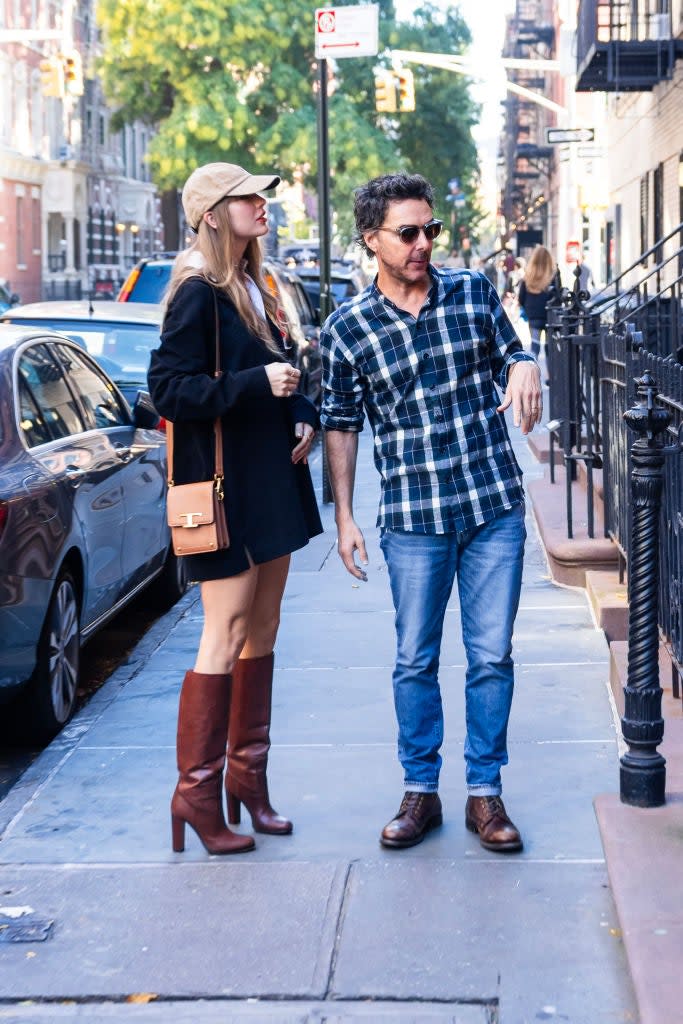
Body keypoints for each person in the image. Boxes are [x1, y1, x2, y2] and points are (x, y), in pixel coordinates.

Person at [320, 173, 542, 853]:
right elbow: (339, 421)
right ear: (371, 239)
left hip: (489, 506)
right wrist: (346, 518)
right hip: (412, 516)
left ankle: (484, 794)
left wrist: (524, 362)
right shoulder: (348, 327)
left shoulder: (472, 293)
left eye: (429, 231)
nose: (422, 245)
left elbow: (513, 351)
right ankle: (420, 791)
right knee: (414, 659)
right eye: (407, 233)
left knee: (490, 657)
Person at [148, 163, 323, 855]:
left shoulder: (256, 283)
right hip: (221, 492)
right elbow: (170, 390)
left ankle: (247, 781)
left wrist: (301, 407)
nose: (264, 205)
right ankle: (195, 793)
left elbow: (283, 370)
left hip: (267, 481)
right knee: (223, 633)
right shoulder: (198, 291)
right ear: (214, 214)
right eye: (249, 198)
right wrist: (256, 382)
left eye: (263, 196)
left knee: (265, 629)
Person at [517, 245, 555, 358]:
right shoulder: (553, 275)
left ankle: (534, 374)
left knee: (534, 348)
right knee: (550, 349)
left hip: (533, 315)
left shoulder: (528, 276)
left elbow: (521, 298)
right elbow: (557, 295)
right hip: (549, 315)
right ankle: (551, 375)